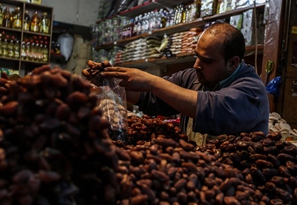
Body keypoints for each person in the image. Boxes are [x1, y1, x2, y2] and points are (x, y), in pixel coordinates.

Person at [100, 22, 270, 145]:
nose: (196, 65)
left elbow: (213, 108)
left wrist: (151, 81)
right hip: (198, 174)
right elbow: (151, 97)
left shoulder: (251, 90)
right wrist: (110, 81)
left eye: (207, 61)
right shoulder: (193, 77)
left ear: (233, 63)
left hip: (236, 182)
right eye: (197, 56)